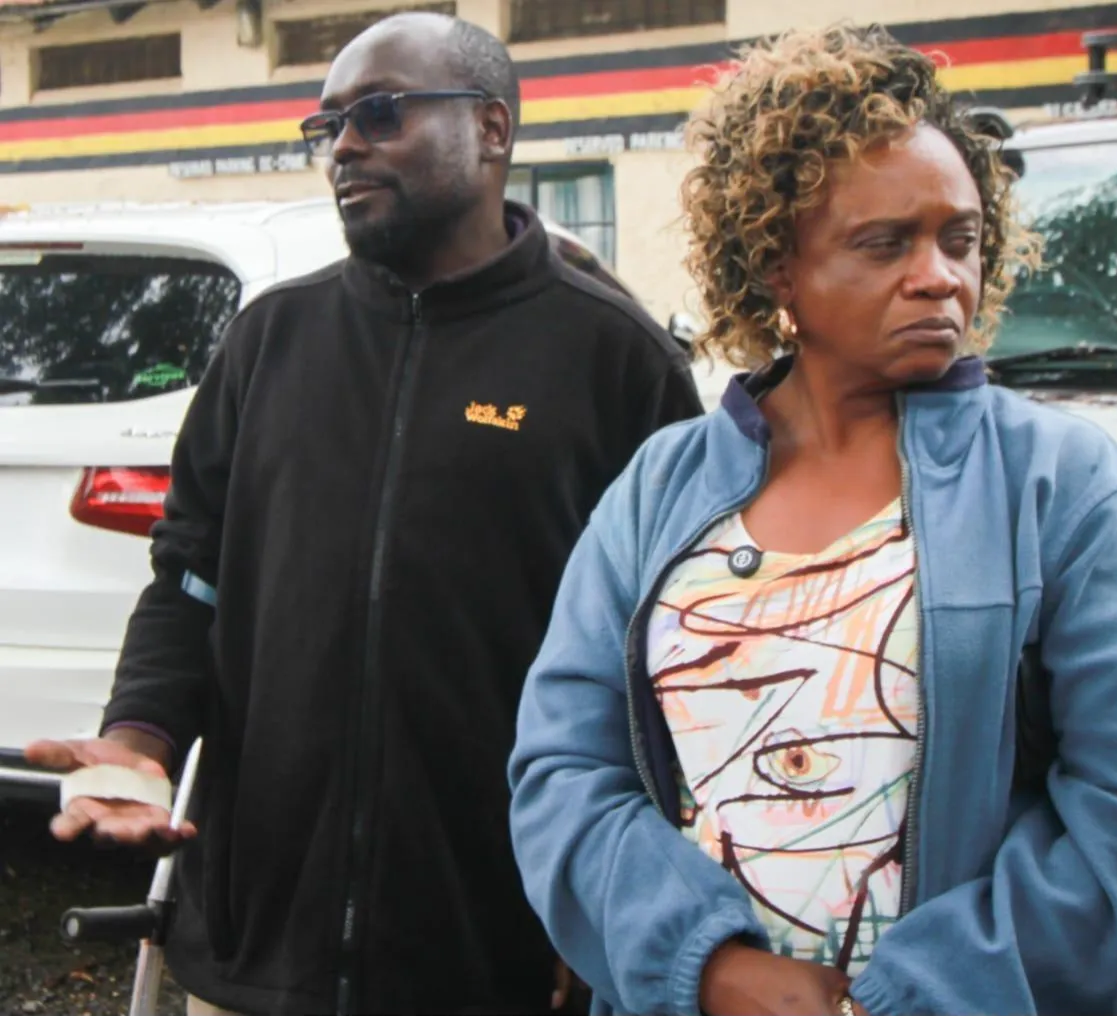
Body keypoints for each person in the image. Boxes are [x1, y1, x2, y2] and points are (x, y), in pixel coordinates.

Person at [506, 22, 1117, 1017]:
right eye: (885, 243)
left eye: (959, 239)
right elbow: (563, 777)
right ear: (777, 266)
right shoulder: (659, 488)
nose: (938, 275)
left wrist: (901, 998)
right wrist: (710, 971)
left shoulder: (1060, 483)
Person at [26, 11, 701, 1017]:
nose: (343, 145)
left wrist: (606, 893)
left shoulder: (615, 360)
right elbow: (190, 578)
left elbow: (674, 659)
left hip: (491, 950)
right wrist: (139, 736)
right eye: (329, 123)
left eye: (379, 113)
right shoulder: (269, 341)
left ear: (491, 129)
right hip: (258, 942)